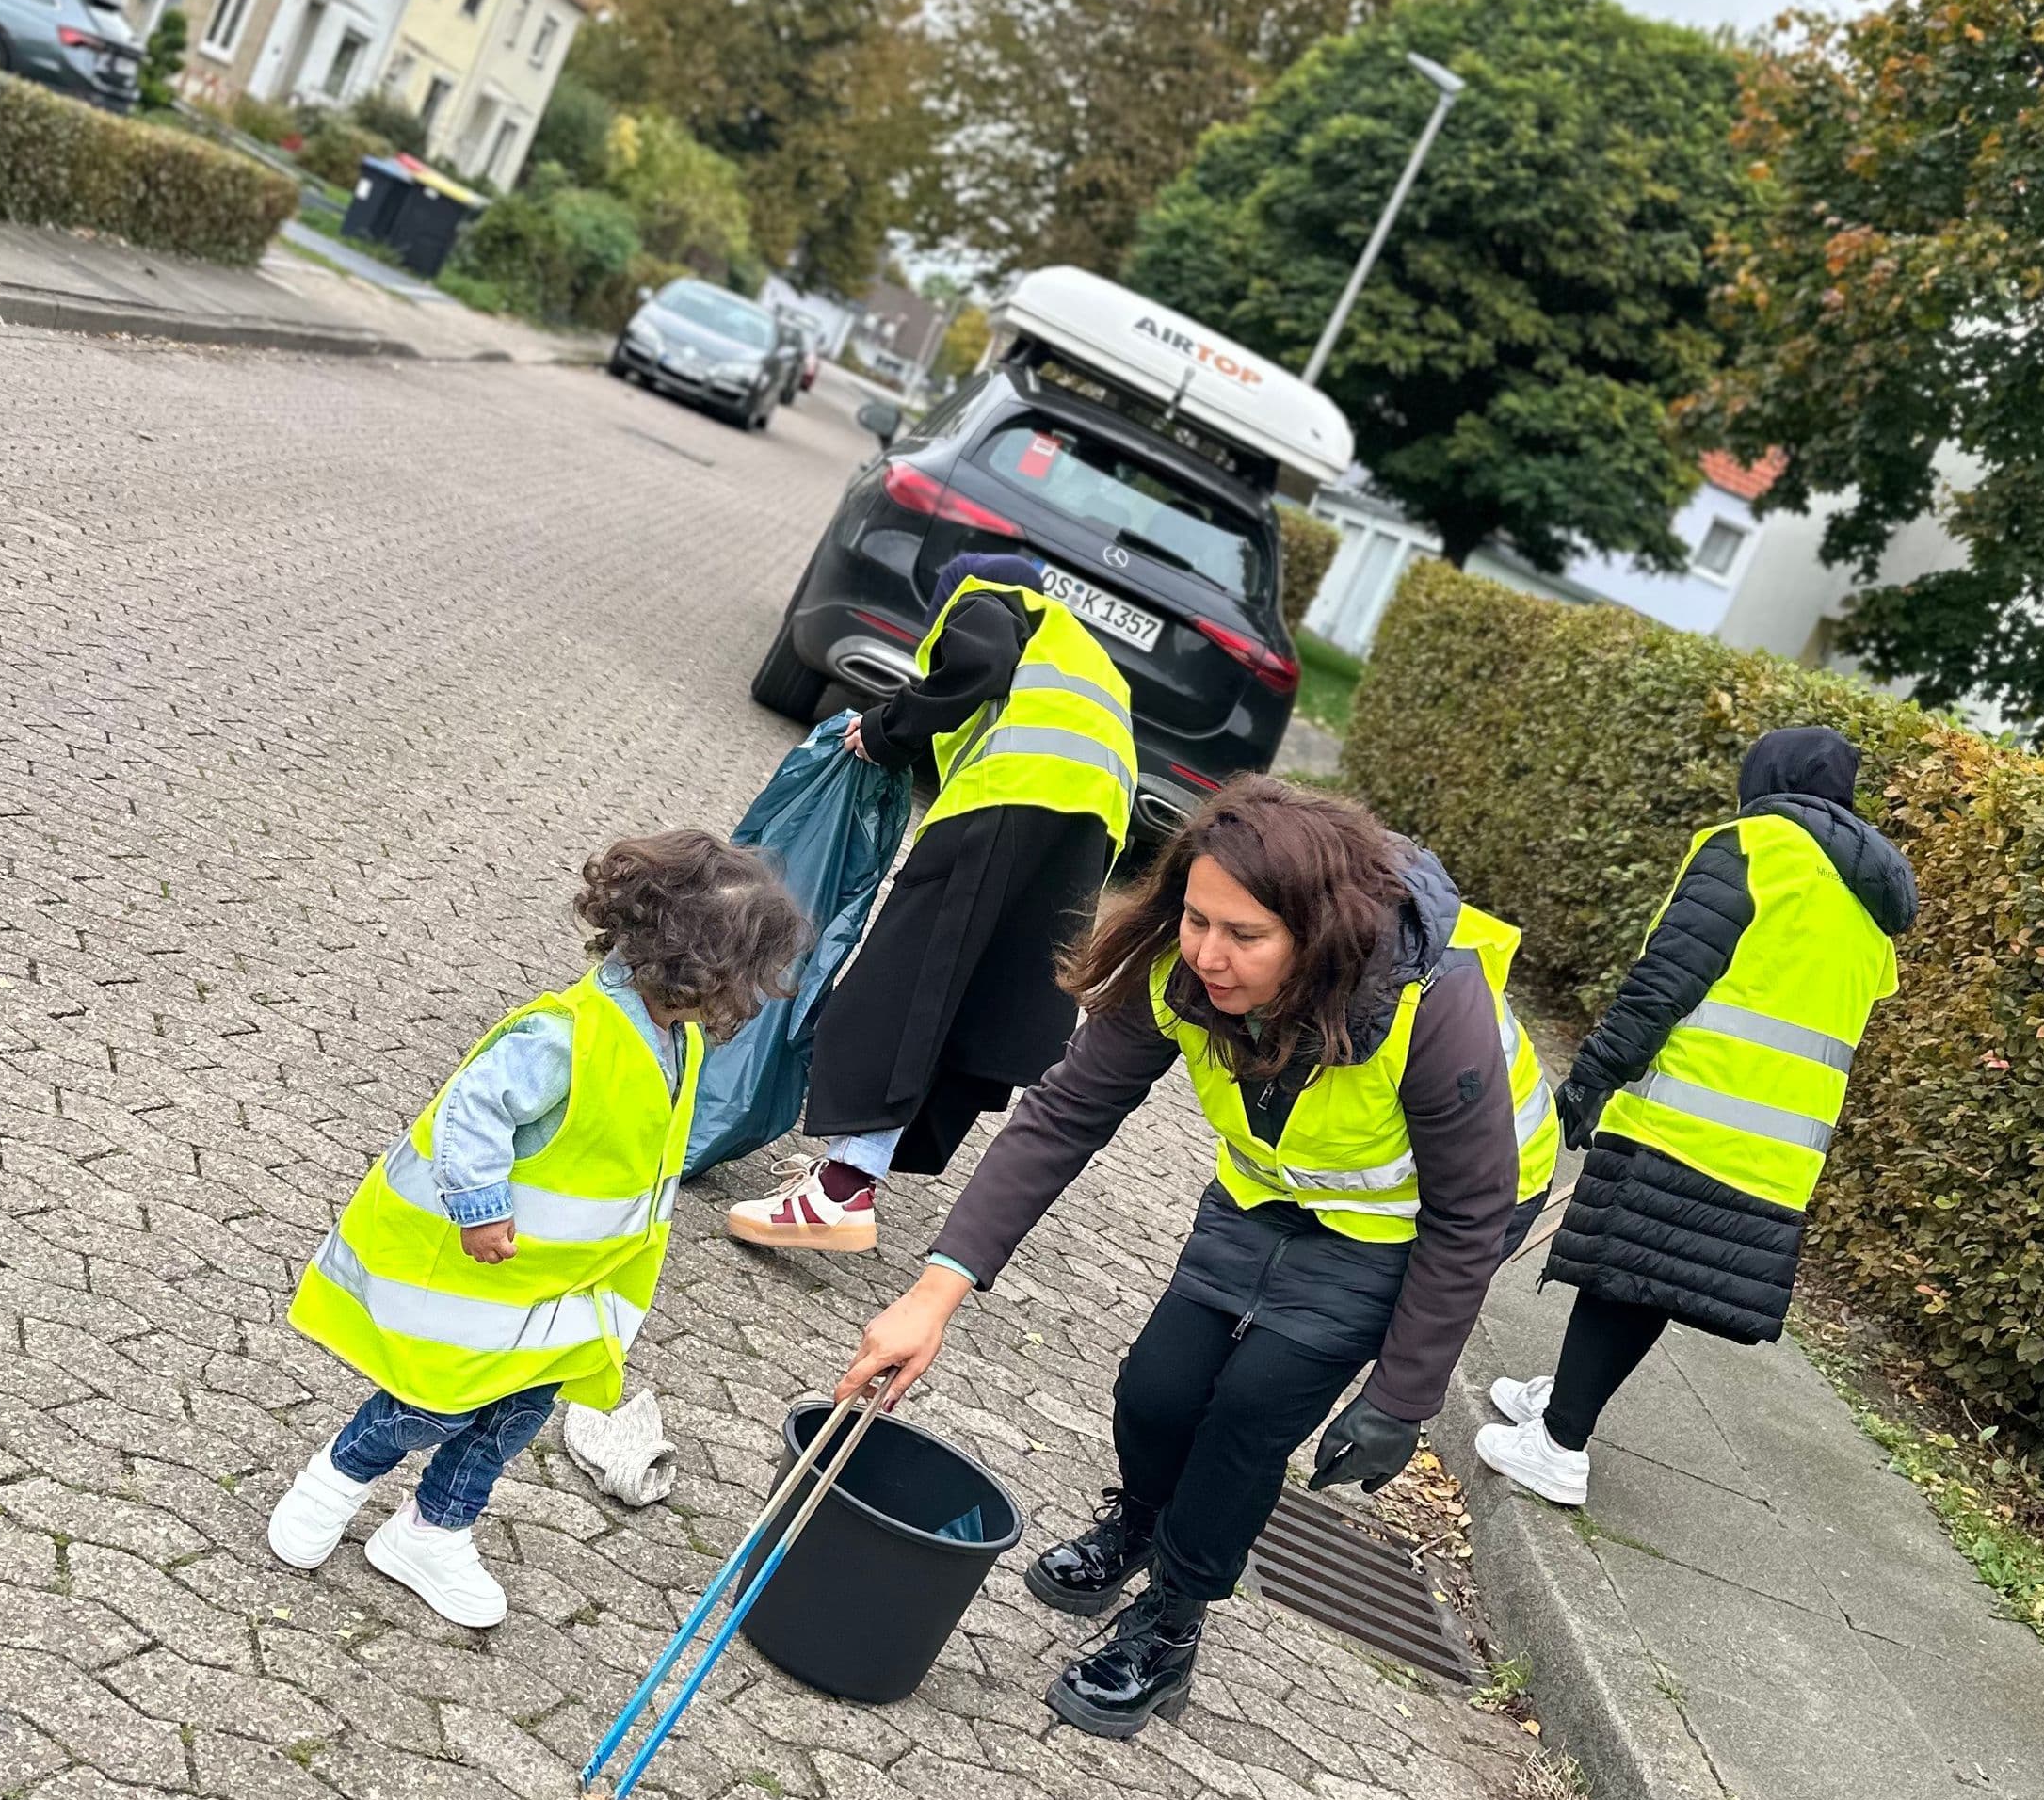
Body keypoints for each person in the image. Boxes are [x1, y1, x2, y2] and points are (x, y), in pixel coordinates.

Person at [833, 780, 1558, 1738]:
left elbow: (1470, 1213)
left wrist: (1401, 1396)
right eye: (1195, 918)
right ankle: (1140, 1522)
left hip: (1421, 1217)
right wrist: (936, 1291)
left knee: (1250, 1410)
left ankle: (1172, 1623)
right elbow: (1063, 1115)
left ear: (1321, 934)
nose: (1208, 954)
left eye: (1245, 935)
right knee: (1160, 1389)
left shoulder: (1432, 1007)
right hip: (1269, 1191)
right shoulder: (1180, 973)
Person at [269, 829, 806, 1628]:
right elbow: (472, 1111)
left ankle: (434, 1529)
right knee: (435, 1402)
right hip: (482, 1278)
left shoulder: (677, 1041)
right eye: (748, 979)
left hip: (564, 1292)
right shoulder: (565, 1035)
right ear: (696, 967)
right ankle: (334, 1482)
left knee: (516, 1415)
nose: (755, 999)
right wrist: (481, 1208)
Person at [1473, 723, 1915, 1511]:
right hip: (1778, 1147)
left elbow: (1664, 984)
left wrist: (1593, 1080)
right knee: (1648, 1278)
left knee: (1625, 1274)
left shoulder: (1752, 847)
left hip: (1686, 1112)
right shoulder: (1868, 903)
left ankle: (1560, 1444)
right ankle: (1566, 1407)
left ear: (1764, 777)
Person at [723, 550, 1136, 1255]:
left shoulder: (989, 600)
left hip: (1007, 807)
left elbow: (975, 665)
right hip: (1086, 837)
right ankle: (855, 1166)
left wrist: (888, 732)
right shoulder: (1083, 652)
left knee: (905, 988)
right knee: (963, 1004)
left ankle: (840, 1195)